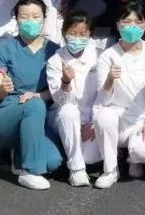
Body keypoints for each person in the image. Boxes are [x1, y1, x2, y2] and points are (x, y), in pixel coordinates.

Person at [0, 0, 64, 190]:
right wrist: (4, 88)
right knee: (35, 105)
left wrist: (40, 96)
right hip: (4, 114)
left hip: (36, 115)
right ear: (16, 19)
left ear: (44, 18)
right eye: (24, 17)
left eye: (36, 16)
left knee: (53, 162)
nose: (30, 21)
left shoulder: (54, 50)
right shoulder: (4, 48)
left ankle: (19, 153)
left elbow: (55, 90)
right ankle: (30, 172)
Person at [92, 2, 145, 189]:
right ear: (118, 25)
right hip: (118, 119)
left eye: (137, 22)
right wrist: (110, 79)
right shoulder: (107, 56)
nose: (131, 27)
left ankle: (133, 159)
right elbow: (102, 100)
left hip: (144, 121)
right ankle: (110, 170)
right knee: (103, 116)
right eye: (126, 22)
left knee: (144, 152)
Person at [46, 11, 101, 187]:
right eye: (72, 33)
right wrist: (65, 81)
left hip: (91, 118)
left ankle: (75, 153)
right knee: (68, 111)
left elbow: (105, 96)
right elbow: (60, 100)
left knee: (90, 157)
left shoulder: (99, 57)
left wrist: (93, 122)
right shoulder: (55, 60)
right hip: (63, 116)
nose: (77, 38)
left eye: (83, 34)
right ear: (64, 33)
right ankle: (77, 170)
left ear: (90, 35)